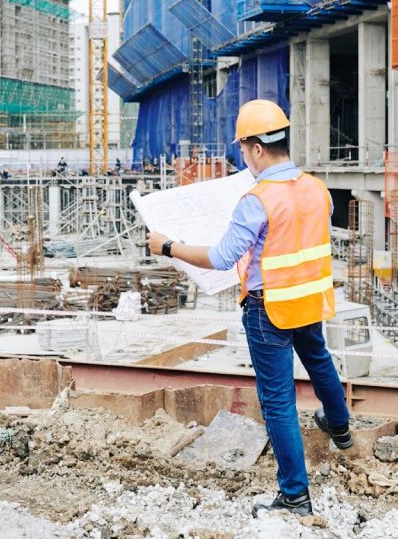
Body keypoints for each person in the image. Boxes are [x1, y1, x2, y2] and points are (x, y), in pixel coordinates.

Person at [147, 99, 352, 517]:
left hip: (269, 307)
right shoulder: (318, 189)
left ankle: (295, 495)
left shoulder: (257, 200)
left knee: (278, 402)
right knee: (319, 360)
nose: (244, 157)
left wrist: (168, 246)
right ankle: (341, 427)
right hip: (308, 299)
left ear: (256, 148)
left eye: (243, 149)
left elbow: (223, 258)